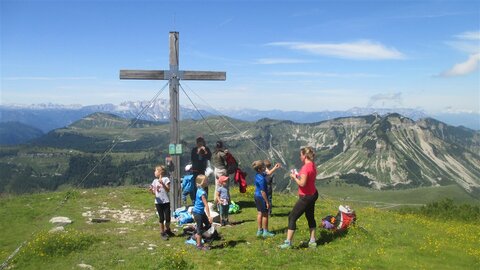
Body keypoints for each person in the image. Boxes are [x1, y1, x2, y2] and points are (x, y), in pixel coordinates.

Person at [279, 146, 319, 249]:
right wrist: (298, 176)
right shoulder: (312, 165)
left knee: (292, 217)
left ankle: (288, 243)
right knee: (310, 217)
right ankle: (312, 241)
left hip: (306, 197)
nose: (300, 157)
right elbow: (307, 179)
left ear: (305, 156)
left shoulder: (305, 167)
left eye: (301, 155)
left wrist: (294, 177)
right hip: (313, 194)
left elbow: (302, 183)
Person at [149, 165, 175, 240]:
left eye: (156, 171)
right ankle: (162, 232)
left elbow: (168, 190)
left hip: (166, 201)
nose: (154, 172)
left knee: (168, 217)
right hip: (158, 202)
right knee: (161, 218)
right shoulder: (154, 181)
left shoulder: (166, 179)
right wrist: (151, 190)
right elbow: (154, 193)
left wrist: (162, 183)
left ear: (160, 172)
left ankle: (168, 230)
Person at [252, 160, 275, 238]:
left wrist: (275, 167)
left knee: (259, 213)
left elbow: (268, 173)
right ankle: (265, 231)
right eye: (263, 167)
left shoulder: (258, 175)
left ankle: (259, 230)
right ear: (260, 169)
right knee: (265, 214)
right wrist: (267, 202)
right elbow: (263, 192)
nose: (265, 167)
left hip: (256, 195)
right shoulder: (262, 179)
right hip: (262, 197)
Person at [192, 174, 213, 250]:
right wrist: (209, 216)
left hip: (200, 212)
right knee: (200, 229)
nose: (207, 181)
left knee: (208, 225)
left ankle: (197, 234)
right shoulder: (202, 193)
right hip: (198, 213)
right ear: (201, 182)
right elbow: (206, 205)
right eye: (206, 180)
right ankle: (199, 245)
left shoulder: (200, 189)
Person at [191, 137, 212, 201]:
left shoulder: (206, 149)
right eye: (198, 142)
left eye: (201, 142)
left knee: (204, 184)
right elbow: (193, 158)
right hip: (196, 170)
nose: (200, 144)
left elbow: (209, 157)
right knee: (196, 185)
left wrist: (205, 151)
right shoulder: (194, 150)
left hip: (203, 169)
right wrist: (198, 152)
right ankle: (196, 199)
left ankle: (205, 198)